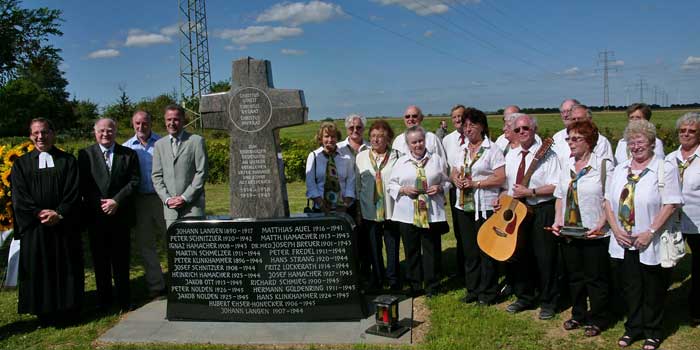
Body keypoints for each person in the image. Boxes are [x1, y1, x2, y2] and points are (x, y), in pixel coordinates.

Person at [605, 119, 682, 350]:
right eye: (632, 142)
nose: (636, 147)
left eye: (641, 142)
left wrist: (650, 232)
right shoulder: (620, 169)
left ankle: (653, 331)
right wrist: (616, 230)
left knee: (653, 288)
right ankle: (633, 327)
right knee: (631, 287)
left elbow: (671, 204)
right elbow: (608, 202)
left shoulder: (664, 168)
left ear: (651, 143)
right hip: (624, 240)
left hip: (651, 240)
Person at [10, 118, 84, 323]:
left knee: (65, 266)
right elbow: (19, 196)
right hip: (35, 228)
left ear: (53, 133)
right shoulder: (21, 164)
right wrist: (38, 213)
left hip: (63, 226)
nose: (40, 136)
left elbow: (73, 191)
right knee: (38, 268)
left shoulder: (68, 161)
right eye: (36, 133)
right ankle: (43, 312)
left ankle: (68, 309)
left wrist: (59, 213)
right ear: (30, 136)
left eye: (44, 132)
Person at [551, 120, 613, 337]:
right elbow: (560, 196)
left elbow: (610, 199)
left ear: (590, 141)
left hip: (594, 232)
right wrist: (558, 220)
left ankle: (599, 317)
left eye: (576, 138)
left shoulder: (603, 166)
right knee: (575, 276)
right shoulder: (566, 165)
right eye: (569, 138)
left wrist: (602, 223)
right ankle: (578, 314)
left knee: (595, 278)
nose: (570, 142)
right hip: (570, 231)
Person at [499, 114, 561, 320]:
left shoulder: (548, 154)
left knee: (545, 257)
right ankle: (524, 296)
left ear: (534, 129)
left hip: (541, 208)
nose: (522, 132)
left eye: (526, 128)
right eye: (517, 130)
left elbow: (556, 186)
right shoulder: (512, 155)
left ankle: (548, 302)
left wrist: (531, 192)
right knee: (519, 254)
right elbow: (508, 186)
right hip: (517, 210)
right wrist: (502, 197)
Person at [79, 118, 140, 311]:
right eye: (101, 131)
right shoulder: (85, 154)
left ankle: (124, 299)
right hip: (96, 216)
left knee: (121, 260)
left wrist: (116, 201)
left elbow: (135, 181)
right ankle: (104, 301)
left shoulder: (128, 154)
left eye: (110, 130)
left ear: (116, 131)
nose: (106, 134)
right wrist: (101, 203)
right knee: (100, 261)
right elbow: (83, 184)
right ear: (95, 132)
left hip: (120, 215)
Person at [450, 108, 505, 305]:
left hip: (485, 206)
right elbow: (454, 171)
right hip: (464, 206)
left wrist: (476, 184)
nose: (468, 128)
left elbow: (500, 177)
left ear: (482, 126)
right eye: (465, 125)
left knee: (486, 250)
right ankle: (472, 289)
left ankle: (488, 292)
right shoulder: (462, 149)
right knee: (469, 250)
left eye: (472, 124)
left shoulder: (493, 149)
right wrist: (456, 178)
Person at [388, 126, 451, 297]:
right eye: (414, 142)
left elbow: (448, 182)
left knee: (431, 249)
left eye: (420, 141)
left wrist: (440, 188)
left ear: (425, 141)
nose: (418, 145)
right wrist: (403, 190)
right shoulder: (401, 162)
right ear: (408, 145)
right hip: (407, 214)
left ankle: (432, 285)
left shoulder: (436, 159)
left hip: (431, 213)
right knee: (411, 249)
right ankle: (415, 285)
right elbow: (391, 185)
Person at [123, 110, 167, 298]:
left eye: (145, 123)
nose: (141, 127)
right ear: (133, 124)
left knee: (171, 240)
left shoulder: (162, 143)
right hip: (140, 201)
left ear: (151, 123)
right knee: (146, 245)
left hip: (162, 199)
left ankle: (180, 282)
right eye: (137, 123)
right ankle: (156, 286)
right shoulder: (126, 148)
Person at [355, 120, 402, 290]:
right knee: (373, 247)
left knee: (392, 246)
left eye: (380, 136)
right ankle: (377, 278)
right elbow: (358, 185)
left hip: (391, 209)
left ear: (388, 138)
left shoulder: (398, 156)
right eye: (373, 136)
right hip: (370, 210)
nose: (376, 140)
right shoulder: (361, 157)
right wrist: (360, 208)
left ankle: (393, 278)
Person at [666, 112, 700, 327]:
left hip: (697, 222)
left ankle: (696, 308)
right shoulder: (670, 158)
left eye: (692, 131)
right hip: (672, 221)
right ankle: (662, 303)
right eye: (683, 130)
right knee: (667, 262)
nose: (686, 134)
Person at [152, 104, 209, 228]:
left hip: (193, 207)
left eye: (176, 119)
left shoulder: (196, 141)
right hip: (170, 209)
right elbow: (156, 176)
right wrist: (167, 199)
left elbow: (202, 172)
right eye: (169, 119)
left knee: (195, 246)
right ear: (165, 121)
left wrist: (184, 197)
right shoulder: (159, 145)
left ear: (183, 120)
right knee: (174, 246)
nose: (172, 123)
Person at [305, 122, 356, 212]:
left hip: (344, 208)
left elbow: (351, 183)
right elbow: (311, 184)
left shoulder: (346, 157)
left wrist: (345, 205)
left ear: (337, 138)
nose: (330, 139)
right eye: (326, 136)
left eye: (333, 136)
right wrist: (321, 205)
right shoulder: (314, 156)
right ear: (321, 138)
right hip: (321, 209)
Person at [442, 104, 467, 278]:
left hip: (475, 189)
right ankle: (461, 268)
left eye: (461, 116)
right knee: (459, 230)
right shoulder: (447, 140)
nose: (458, 119)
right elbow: (445, 166)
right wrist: (453, 179)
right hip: (454, 190)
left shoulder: (477, 136)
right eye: (455, 117)